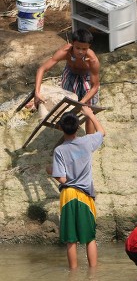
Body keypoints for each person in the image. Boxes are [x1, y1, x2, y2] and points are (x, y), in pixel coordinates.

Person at [48, 106, 105, 269]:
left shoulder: (59, 150)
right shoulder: (87, 141)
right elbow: (102, 132)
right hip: (85, 195)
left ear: (60, 128)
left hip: (68, 195)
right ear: (78, 127)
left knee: (71, 239)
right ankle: (93, 274)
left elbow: (63, 178)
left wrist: (50, 170)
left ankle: (72, 275)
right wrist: (90, 115)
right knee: (90, 238)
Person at [34, 28, 101, 134]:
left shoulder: (92, 60)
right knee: (67, 107)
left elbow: (95, 86)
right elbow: (42, 69)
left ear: (89, 47)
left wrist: (82, 103)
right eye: (77, 48)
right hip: (70, 75)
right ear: (72, 44)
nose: (80, 51)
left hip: (87, 78)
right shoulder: (65, 52)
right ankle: (69, 134)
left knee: (89, 111)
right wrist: (37, 92)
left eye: (84, 49)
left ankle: (89, 140)